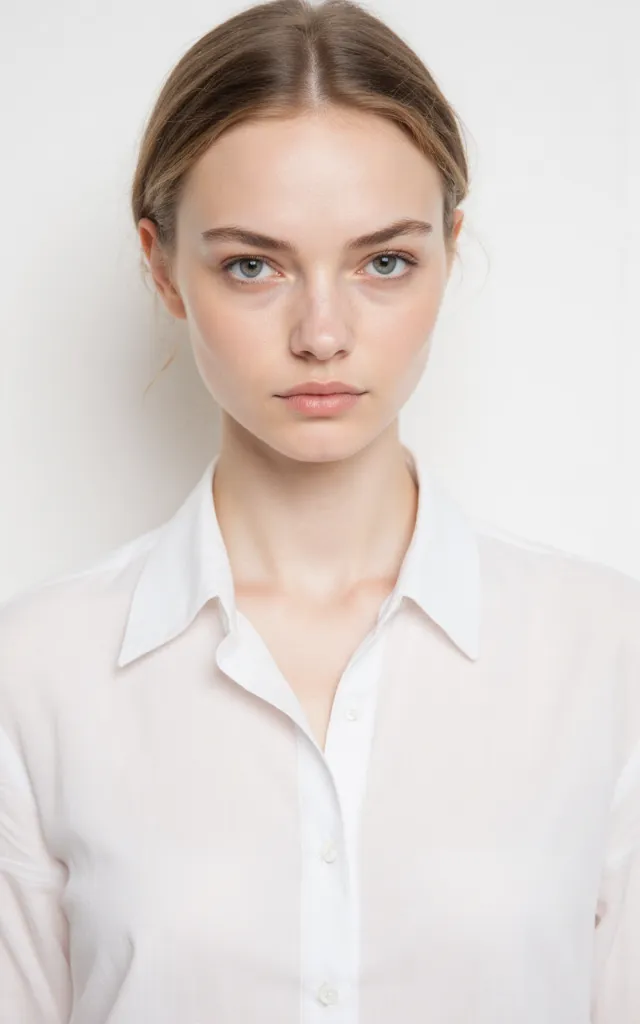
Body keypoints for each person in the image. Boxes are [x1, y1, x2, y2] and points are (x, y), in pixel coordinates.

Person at [1, 0, 639, 1020]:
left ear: (448, 247)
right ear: (162, 265)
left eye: (384, 260)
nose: (322, 333)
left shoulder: (608, 654)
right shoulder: (33, 675)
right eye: (252, 265)